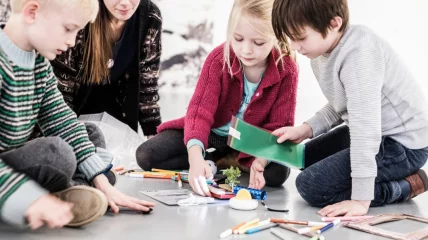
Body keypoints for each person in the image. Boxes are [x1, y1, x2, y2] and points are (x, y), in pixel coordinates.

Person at [0, 0, 155, 230]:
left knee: (90, 133)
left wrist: (102, 182)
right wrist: (26, 197)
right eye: (68, 29)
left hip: (15, 160)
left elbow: (62, 120)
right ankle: (43, 196)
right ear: (32, 12)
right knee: (57, 154)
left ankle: (76, 191)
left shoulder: (39, 63)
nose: (72, 42)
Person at [271, 0, 428, 217]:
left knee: (311, 186)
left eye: (300, 38)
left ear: (334, 23)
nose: (295, 46)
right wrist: (306, 129)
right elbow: (342, 104)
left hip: (403, 144)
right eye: (291, 38)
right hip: (375, 132)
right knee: (304, 157)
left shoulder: (359, 54)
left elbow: (366, 130)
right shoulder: (322, 50)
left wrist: (360, 201)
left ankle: (402, 187)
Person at [137, 0, 299, 196]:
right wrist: (195, 158)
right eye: (238, 39)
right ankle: (217, 160)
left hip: (251, 142)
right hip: (212, 132)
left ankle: (234, 159)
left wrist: (260, 160)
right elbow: (199, 112)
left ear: (276, 37)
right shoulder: (218, 59)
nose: (246, 50)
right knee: (147, 155)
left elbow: (278, 126)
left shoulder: (287, 69)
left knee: (277, 174)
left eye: (258, 43)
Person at [51, 0, 162, 138]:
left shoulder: (150, 17)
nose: (125, 3)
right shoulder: (78, 12)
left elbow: (147, 82)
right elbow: (61, 87)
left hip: (118, 123)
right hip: (71, 118)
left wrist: (154, 134)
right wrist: (70, 138)